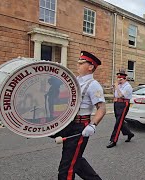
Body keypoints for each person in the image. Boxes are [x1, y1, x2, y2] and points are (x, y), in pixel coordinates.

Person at [56, 51, 106, 180]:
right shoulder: (74, 80)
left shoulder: (93, 85)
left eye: (81, 62)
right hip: (69, 124)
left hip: (81, 126)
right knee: (75, 160)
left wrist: (92, 125)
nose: (77, 64)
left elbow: (101, 108)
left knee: (67, 167)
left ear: (90, 67)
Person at [106, 72, 134, 148]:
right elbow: (115, 95)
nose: (119, 81)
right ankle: (129, 133)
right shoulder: (119, 85)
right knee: (120, 121)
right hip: (117, 103)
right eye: (118, 79)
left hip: (123, 104)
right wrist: (114, 88)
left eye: (121, 79)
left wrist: (117, 87)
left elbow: (121, 95)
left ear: (125, 79)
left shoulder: (128, 86)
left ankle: (113, 140)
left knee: (118, 122)